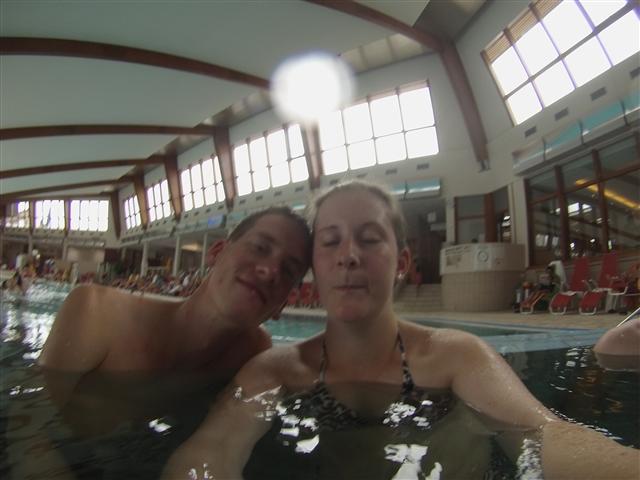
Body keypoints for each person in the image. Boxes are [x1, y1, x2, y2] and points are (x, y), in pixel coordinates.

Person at [163, 181, 639, 480]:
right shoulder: (274, 371)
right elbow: (211, 452)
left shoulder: (457, 357)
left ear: (403, 263)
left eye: (370, 239)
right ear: (314, 268)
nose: (349, 256)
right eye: (330, 242)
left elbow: (540, 434)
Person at [37, 206, 311, 433]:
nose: (270, 270)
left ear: (283, 303)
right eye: (260, 247)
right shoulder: (98, 312)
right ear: (216, 253)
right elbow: (34, 428)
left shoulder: (254, 353)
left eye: (288, 270)